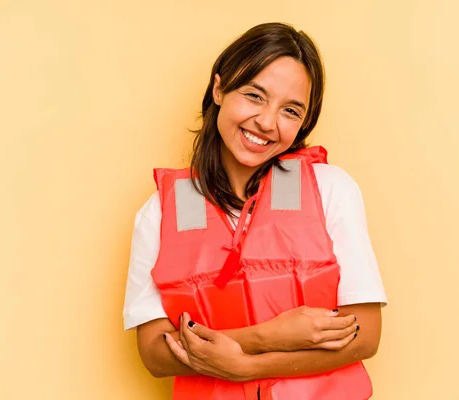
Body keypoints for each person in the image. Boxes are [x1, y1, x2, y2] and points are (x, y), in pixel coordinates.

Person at [123, 22, 387, 400]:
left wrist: (248, 365)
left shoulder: (330, 189)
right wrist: (265, 337)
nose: (267, 122)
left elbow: (365, 334)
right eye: (254, 95)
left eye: (291, 110)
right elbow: (155, 355)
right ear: (219, 88)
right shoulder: (160, 214)